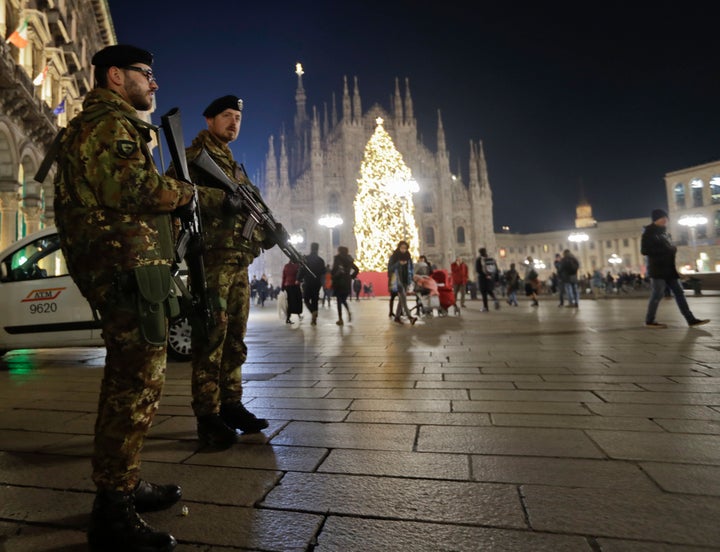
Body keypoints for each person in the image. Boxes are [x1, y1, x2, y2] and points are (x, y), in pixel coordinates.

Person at [52, 44, 193, 552]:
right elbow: (137, 192)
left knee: (136, 383)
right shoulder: (109, 126)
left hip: (125, 268)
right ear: (117, 76)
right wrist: (184, 192)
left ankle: (125, 483)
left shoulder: (106, 124)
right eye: (146, 75)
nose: (153, 84)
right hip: (122, 270)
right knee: (132, 386)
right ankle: (112, 509)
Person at [168, 95, 273, 448]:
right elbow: (173, 191)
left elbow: (251, 207)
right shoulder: (193, 158)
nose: (233, 122)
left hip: (238, 262)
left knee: (235, 340)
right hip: (210, 262)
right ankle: (207, 415)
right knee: (211, 339)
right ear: (210, 120)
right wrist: (217, 200)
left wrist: (270, 230)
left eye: (238, 117)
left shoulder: (235, 166)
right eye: (226, 116)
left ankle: (231, 404)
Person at [641, 209, 709, 328]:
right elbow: (645, 251)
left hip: (669, 269)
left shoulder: (666, 234)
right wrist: (667, 250)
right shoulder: (648, 233)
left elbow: (669, 250)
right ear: (656, 219)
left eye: (666, 218)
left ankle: (691, 319)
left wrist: (672, 251)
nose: (665, 220)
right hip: (657, 270)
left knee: (679, 293)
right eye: (662, 218)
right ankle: (649, 321)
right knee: (657, 294)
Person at [388, 241, 418, 325]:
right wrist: (398, 263)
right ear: (399, 247)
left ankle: (397, 317)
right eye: (402, 248)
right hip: (397, 280)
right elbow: (390, 269)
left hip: (405, 280)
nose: (403, 250)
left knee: (401, 300)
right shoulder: (394, 257)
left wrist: (411, 278)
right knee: (404, 298)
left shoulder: (408, 257)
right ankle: (410, 317)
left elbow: (411, 268)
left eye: (405, 248)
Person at [298, 242, 326, 325]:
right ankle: (314, 319)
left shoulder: (306, 258)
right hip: (317, 283)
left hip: (308, 282)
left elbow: (302, 270)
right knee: (315, 300)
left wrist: (298, 278)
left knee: (306, 299)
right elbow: (323, 272)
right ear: (317, 249)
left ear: (311, 248)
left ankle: (313, 312)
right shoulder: (321, 260)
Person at [331, 246, 359, 325]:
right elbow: (356, 269)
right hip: (347, 282)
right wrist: (351, 277)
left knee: (339, 301)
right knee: (343, 300)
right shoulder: (350, 260)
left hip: (339, 282)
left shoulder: (337, 258)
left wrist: (333, 275)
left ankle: (340, 319)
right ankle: (348, 312)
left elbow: (334, 269)